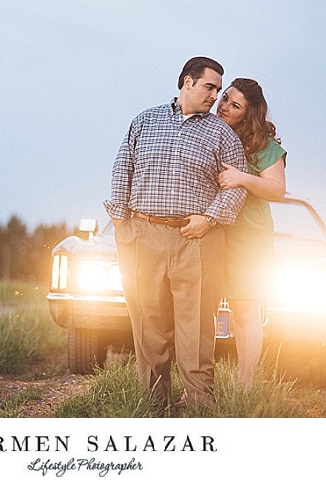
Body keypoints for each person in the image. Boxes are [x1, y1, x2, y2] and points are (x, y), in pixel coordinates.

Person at [104, 56, 248, 408]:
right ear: (187, 82)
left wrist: (210, 218)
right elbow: (122, 168)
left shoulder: (221, 134)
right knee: (149, 325)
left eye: (218, 89)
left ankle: (200, 405)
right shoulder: (145, 121)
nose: (215, 96)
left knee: (196, 328)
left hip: (197, 239)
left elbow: (237, 186)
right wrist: (123, 225)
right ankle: (153, 406)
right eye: (209, 87)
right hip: (143, 235)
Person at [216, 78, 287, 388]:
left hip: (249, 238)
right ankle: (199, 387)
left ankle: (244, 386)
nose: (225, 107)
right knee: (202, 310)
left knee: (245, 311)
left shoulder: (264, 146)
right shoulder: (209, 131)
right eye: (225, 98)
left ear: (249, 114)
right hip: (211, 231)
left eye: (236, 106)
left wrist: (242, 178)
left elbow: (277, 190)